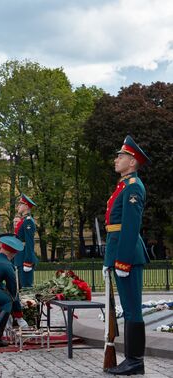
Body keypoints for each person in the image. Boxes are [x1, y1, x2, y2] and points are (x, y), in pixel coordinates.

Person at [104, 136, 150, 376]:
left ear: (132, 162)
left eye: (120, 156)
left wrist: (121, 260)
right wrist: (108, 260)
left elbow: (131, 226)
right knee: (129, 307)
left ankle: (135, 361)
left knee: (132, 309)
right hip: (120, 253)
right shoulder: (124, 185)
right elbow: (114, 227)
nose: (116, 160)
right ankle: (132, 360)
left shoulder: (133, 186)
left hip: (128, 255)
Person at [13, 193, 38, 288]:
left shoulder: (28, 221)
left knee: (26, 290)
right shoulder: (24, 221)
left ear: (26, 206)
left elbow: (29, 243)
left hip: (24, 259)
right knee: (20, 289)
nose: (18, 206)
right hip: (20, 258)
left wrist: (28, 262)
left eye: (20, 204)